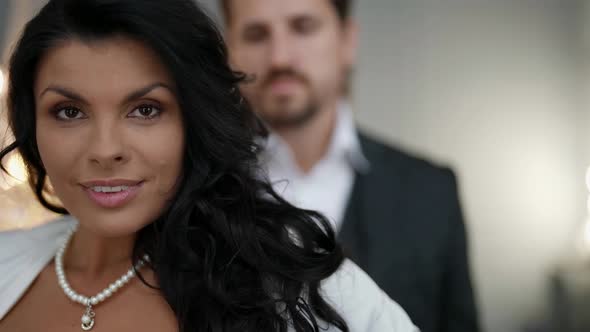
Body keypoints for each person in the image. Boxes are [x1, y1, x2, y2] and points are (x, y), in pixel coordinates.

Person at [0, 0, 418, 331]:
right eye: (69, 112)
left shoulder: (293, 284)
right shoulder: (6, 260)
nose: (105, 149)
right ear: (30, 123)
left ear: (193, 122)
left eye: (146, 109)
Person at [221, 0, 480, 331]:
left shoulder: (432, 190)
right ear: (230, 51)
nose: (280, 57)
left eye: (303, 27)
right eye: (256, 35)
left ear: (347, 41)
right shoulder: (192, 191)